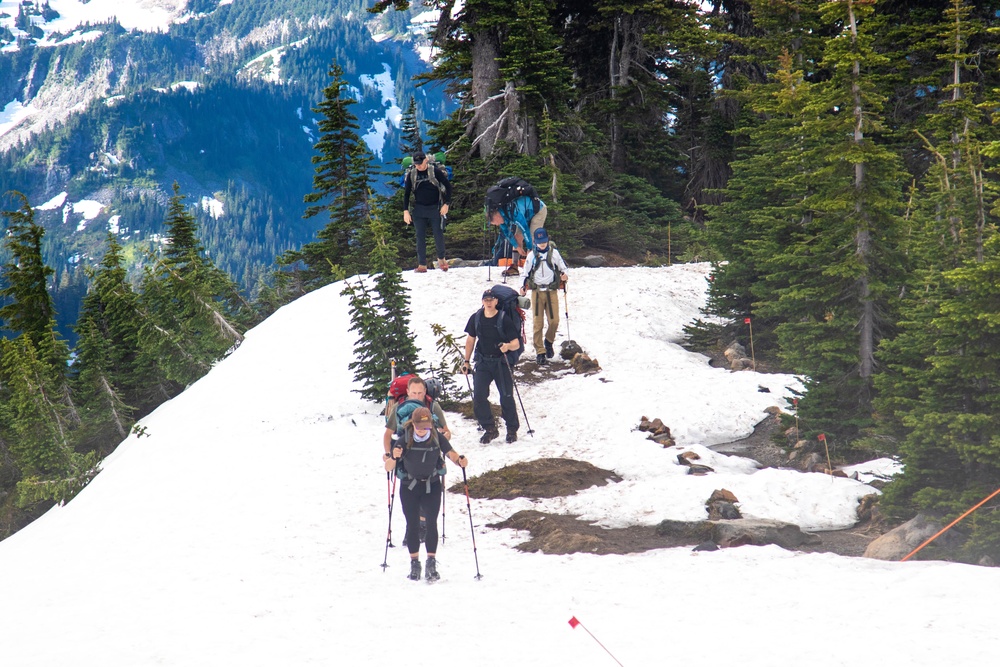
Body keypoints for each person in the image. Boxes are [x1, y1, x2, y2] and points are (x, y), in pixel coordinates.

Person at [384, 407, 467, 581]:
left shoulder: (437, 437)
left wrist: (460, 461)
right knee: (412, 525)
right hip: (409, 487)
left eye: (426, 426)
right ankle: (415, 564)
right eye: (419, 426)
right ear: (413, 424)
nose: (423, 429)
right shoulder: (403, 440)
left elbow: (450, 453)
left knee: (431, 524)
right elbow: (388, 468)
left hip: (432, 486)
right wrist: (393, 456)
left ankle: (431, 562)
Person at [462, 287, 521, 443]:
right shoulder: (476, 318)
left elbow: (516, 343)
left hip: (501, 362)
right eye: (486, 300)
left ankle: (511, 429)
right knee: (479, 397)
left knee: (506, 397)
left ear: (496, 301)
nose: (488, 303)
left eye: (491, 300)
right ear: (482, 301)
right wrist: (466, 361)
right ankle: (489, 428)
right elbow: (470, 340)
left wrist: (507, 347)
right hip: (483, 362)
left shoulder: (504, 319)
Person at [520, 228, 569, 365]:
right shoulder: (531, 256)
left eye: (544, 241)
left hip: (551, 291)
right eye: (539, 242)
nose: (542, 244)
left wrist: (564, 275)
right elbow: (525, 273)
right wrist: (522, 286)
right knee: (538, 323)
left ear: (548, 239)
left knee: (554, 321)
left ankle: (549, 341)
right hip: (536, 292)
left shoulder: (554, 254)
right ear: (535, 241)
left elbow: (563, 268)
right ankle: (540, 351)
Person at [402, 151, 451, 273]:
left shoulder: (435, 171)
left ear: (426, 160)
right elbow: (406, 194)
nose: (419, 166)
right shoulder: (412, 174)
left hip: (435, 207)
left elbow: (448, 186)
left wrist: (446, 204)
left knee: (438, 234)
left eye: (420, 163)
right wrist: (405, 211)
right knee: (420, 237)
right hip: (419, 209)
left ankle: (442, 260)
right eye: (416, 164)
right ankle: (422, 264)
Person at [488, 190, 546, 277]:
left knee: (533, 238)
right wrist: (517, 247)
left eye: (495, 222)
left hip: (538, 210)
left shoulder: (515, 213)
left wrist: (529, 248)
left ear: (497, 216)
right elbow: (508, 234)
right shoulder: (503, 217)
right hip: (525, 214)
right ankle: (514, 267)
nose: (496, 224)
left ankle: (532, 267)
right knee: (517, 236)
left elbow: (525, 231)